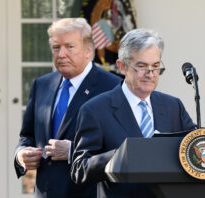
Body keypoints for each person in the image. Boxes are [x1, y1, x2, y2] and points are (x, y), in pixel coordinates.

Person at [71, 29, 196, 198]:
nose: (150, 74)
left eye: (156, 66)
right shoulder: (95, 109)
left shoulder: (173, 106)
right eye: (142, 66)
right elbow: (80, 169)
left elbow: (192, 149)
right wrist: (121, 155)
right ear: (122, 66)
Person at [14, 18, 121, 198]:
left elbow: (120, 149)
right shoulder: (42, 84)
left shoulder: (113, 87)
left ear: (88, 51)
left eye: (69, 47)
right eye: (56, 48)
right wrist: (20, 155)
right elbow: (27, 135)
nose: (61, 54)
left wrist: (73, 152)